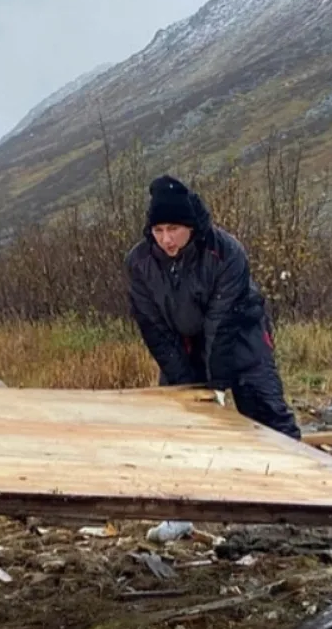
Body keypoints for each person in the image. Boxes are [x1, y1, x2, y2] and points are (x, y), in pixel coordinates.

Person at [126, 175, 300, 439]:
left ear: (190, 226)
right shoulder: (139, 263)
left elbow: (221, 322)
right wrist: (185, 383)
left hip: (242, 339)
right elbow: (154, 328)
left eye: (173, 229)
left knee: (270, 420)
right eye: (158, 230)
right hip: (183, 346)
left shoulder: (226, 252)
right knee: (181, 425)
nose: (166, 239)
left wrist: (216, 385)